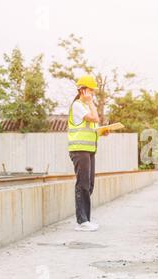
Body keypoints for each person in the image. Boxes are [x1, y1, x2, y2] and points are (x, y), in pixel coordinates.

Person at [68, 75, 108, 232]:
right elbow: (95, 118)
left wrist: (101, 132)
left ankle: (86, 219)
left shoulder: (84, 107)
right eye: (91, 91)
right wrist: (91, 102)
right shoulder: (78, 106)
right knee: (82, 184)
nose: (92, 94)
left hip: (89, 151)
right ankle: (82, 221)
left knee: (89, 184)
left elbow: (92, 128)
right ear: (83, 90)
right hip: (80, 150)